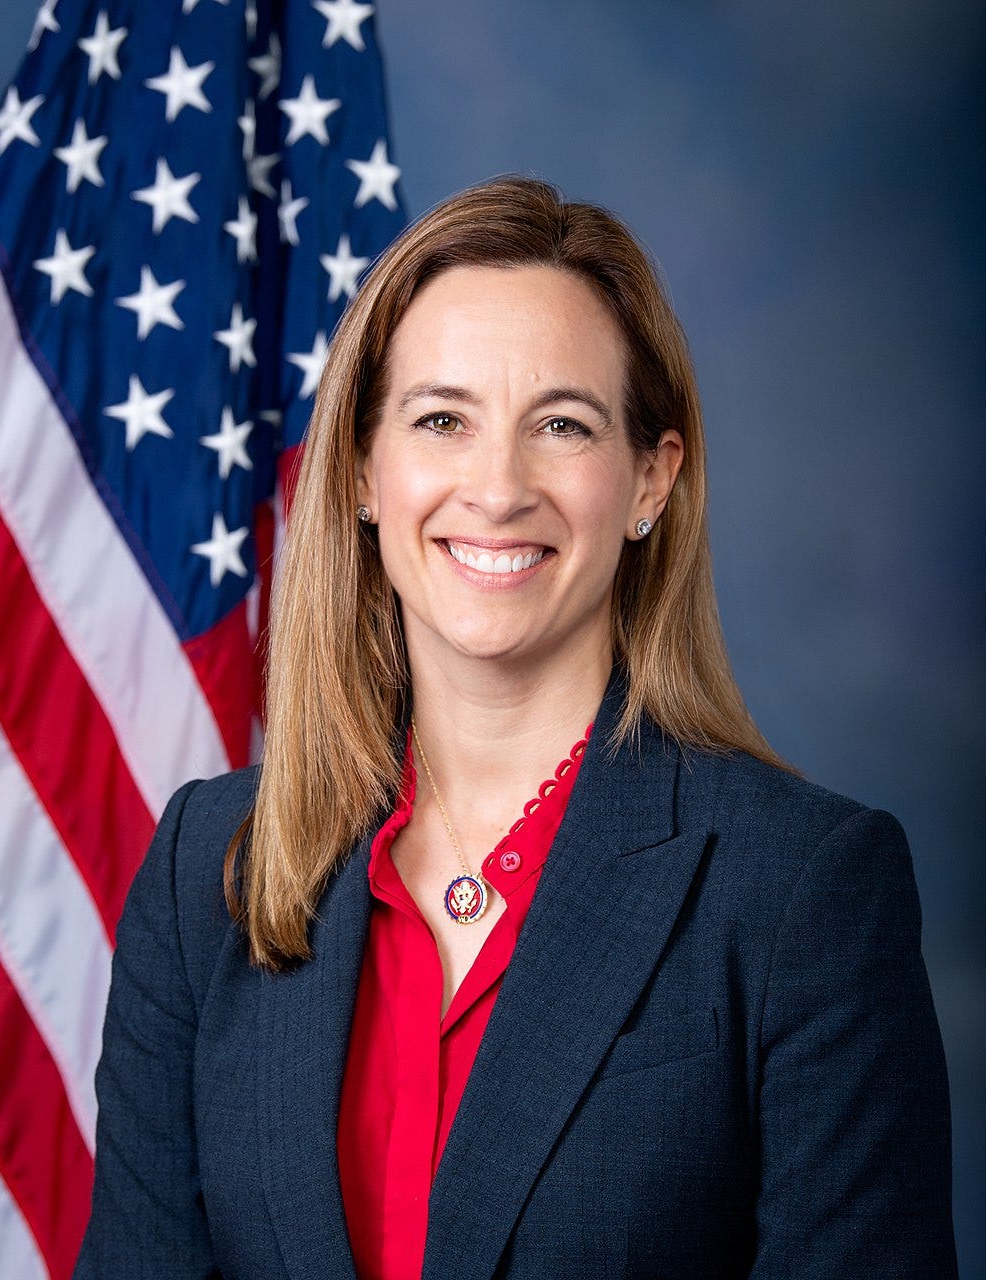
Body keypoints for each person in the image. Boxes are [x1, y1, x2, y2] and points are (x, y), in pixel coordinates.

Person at [76, 177, 957, 1279]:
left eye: (561, 426)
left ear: (650, 480)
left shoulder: (801, 889)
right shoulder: (208, 871)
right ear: (363, 470)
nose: (497, 489)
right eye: (442, 420)